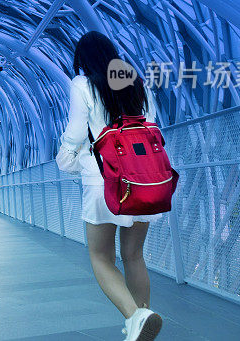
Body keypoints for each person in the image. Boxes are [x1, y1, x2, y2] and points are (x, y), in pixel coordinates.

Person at [56, 31, 163, 341]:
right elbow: (152, 126)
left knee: (101, 257)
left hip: (105, 181)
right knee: (134, 256)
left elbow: (76, 133)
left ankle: (135, 317)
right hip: (144, 180)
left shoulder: (82, 84)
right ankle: (142, 320)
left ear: (83, 60)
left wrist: (64, 157)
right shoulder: (135, 80)